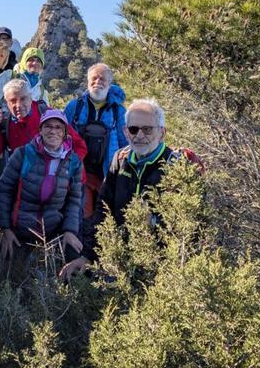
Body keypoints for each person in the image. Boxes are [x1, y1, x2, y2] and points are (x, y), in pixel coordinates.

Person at [61, 98, 190, 279]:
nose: (139, 135)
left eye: (147, 129)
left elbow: (187, 228)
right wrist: (88, 255)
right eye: (133, 129)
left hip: (161, 265)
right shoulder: (120, 159)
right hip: (119, 257)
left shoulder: (176, 167)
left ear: (162, 133)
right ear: (125, 132)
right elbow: (103, 210)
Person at [0, 109, 84, 265]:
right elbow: (4, 190)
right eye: (48, 126)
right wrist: (6, 229)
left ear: (65, 132)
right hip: (21, 227)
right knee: (8, 273)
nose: (53, 131)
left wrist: (70, 231)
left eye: (59, 127)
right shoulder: (23, 154)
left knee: (75, 262)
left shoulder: (74, 162)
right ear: (40, 130)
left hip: (53, 229)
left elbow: (74, 201)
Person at [0, 79, 86, 189]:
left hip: (63, 186)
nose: (18, 105)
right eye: (13, 100)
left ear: (30, 98)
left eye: (23, 99)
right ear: (7, 103)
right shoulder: (6, 124)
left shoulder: (50, 116)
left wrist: (66, 171)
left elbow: (80, 146)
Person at [63, 63, 129, 217]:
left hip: (107, 173)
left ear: (109, 83)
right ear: (87, 81)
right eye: (94, 78)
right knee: (80, 213)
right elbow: (61, 135)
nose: (97, 81)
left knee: (103, 215)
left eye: (102, 79)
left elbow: (126, 144)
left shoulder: (119, 111)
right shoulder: (74, 107)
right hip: (78, 172)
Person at [0, 47, 49, 115]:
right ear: (24, 61)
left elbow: (46, 114)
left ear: (42, 65)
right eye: (31, 60)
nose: (34, 63)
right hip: (4, 122)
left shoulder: (41, 90)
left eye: (38, 61)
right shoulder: (9, 76)